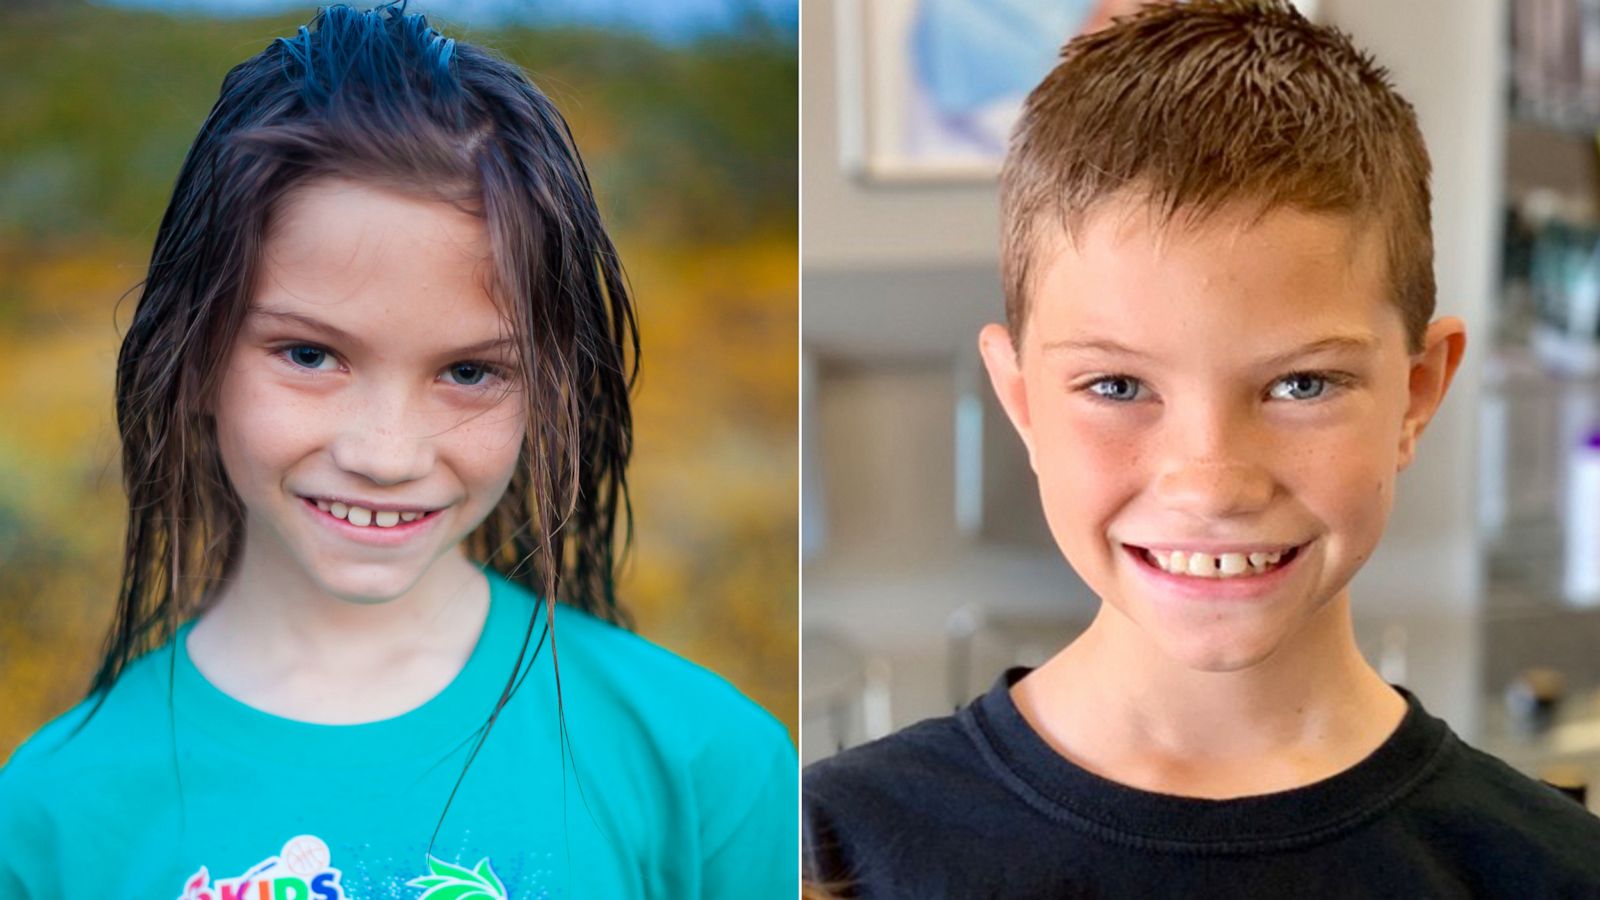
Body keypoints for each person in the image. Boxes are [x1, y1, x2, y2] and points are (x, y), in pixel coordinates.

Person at [804, 2, 1600, 896]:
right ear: (1021, 399)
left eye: (1301, 385)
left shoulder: (1556, 874)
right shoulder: (826, 853)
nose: (1212, 483)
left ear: (1416, 394)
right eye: (1117, 387)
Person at [0, 3, 796, 897]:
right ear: (192, 357)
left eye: (468, 372)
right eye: (309, 355)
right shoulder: (50, 818)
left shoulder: (703, 764)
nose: (387, 453)